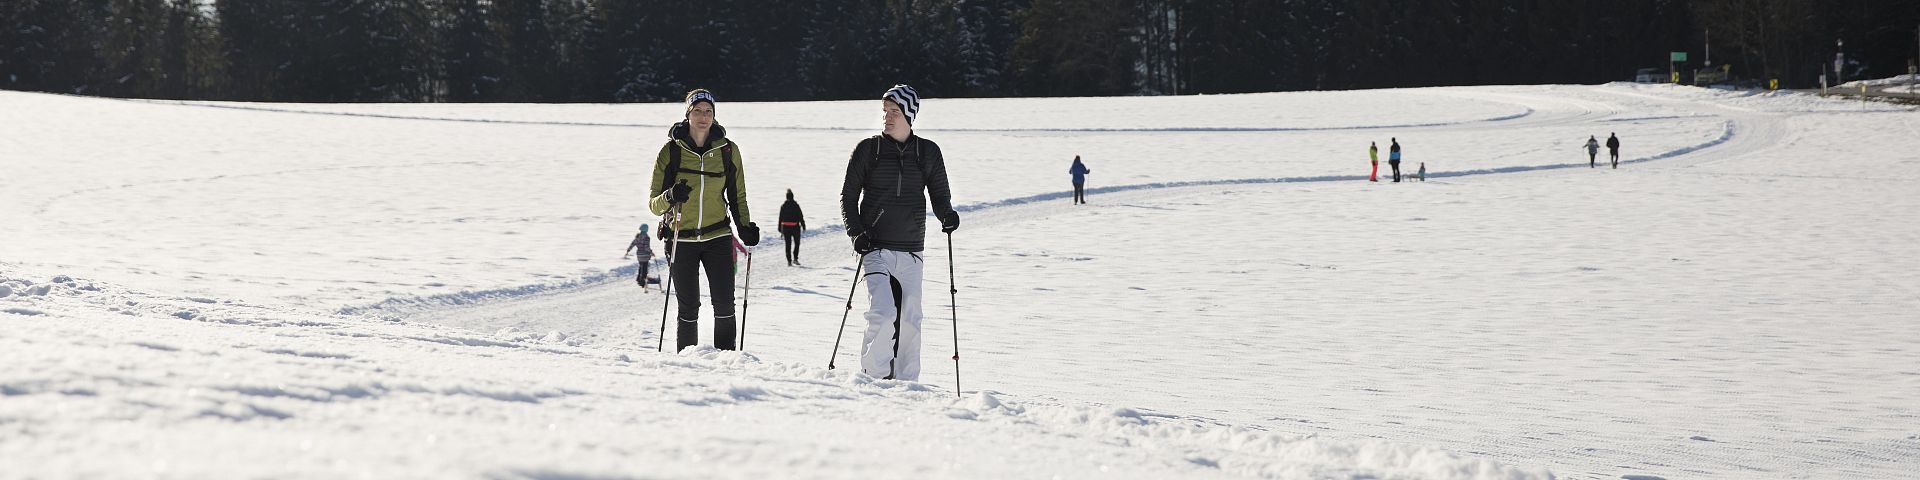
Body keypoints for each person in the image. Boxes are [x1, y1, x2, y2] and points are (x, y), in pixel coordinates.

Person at [841, 84, 958, 381]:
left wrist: (947, 215)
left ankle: (908, 384)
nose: (887, 118)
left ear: (909, 115)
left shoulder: (927, 152)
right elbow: (848, 196)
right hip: (875, 246)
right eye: (885, 112)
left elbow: (940, 196)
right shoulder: (869, 149)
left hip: (911, 249)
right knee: (882, 312)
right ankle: (875, 377)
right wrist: (857, 233)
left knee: (910, 321)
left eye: (894, 112)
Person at [648, 89, 760, 352]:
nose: (703, 117)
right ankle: (687, 363)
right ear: (687, 114)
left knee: (724, 303)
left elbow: (737, 195)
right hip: (680, 238)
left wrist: (744, 227)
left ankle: (727, 361)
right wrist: (671, 195)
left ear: (714, 116)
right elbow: (654, 204)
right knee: (689, 306)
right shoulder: (670, 152)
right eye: (697, 111)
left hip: (718, 237)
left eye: (708, 111)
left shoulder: (728, 151)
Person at [778, 189, 806, 266]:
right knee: (797, 243)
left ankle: (789, 261)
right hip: (795, 227)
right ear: (793, 197)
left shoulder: (783, 206)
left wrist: (780, 228)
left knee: (788, 244)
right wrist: (803, 225)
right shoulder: (796, 205)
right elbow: (801, 216)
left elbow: (780, 218)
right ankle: (795, 258)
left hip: (786, 227)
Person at [624, 224, 655, 291]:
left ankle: (638, 279)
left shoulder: (637, 237)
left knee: (641, 266)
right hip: (645, 255)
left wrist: (628, 250)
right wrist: (651, 252)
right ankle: (642, 282)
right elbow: (647, 247)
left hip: (639, 255)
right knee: (644, 269)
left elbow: (632, 244)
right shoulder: (646, 237)